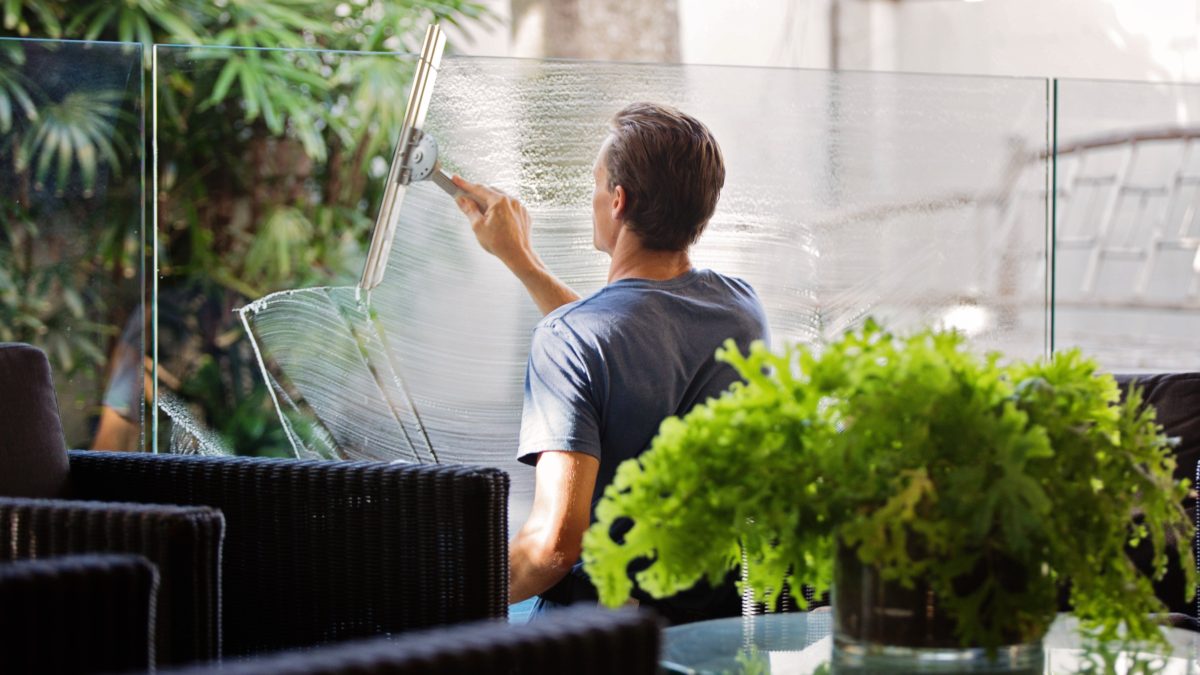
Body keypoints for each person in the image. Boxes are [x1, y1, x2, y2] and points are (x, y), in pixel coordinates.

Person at [451, 102, 769, 624]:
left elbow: (552, 548)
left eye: (596, 184)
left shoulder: (572, 339)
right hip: (712, 627)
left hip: (602, 636)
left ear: (618, 201)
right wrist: (522, 262)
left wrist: (438, 592)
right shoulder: (742, 310)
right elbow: (629, 338)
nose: (594, 197)